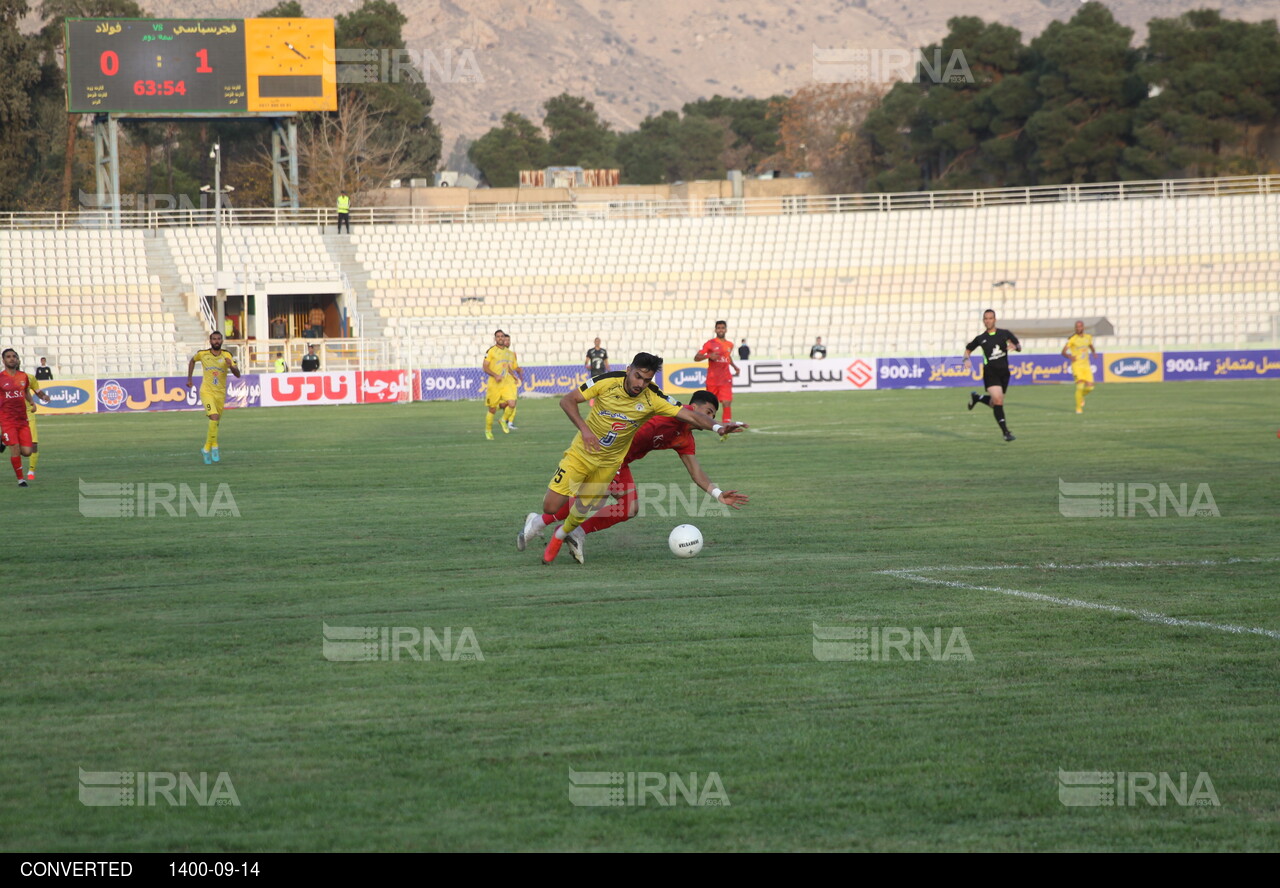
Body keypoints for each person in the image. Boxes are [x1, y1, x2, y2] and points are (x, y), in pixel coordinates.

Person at [527, 353, 746, 565]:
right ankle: (548, 523)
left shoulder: (683, 436)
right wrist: (717, 427)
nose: (708, 418)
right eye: (707, 412)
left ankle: (565, 529)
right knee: (587, 501)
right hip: (598, 453)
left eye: (712, 416)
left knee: (621, 506)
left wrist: (718, 493)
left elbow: (695, 471)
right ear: (693, 406)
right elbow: (689, 415)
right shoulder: (667, 411)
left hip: (617, 461)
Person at [964, 309, 1021, 442]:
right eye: (986, 318)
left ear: (994, 319)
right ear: (983, 321)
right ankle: (1006, 432)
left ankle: (977, 397)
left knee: (995, 403)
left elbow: (1018, 346)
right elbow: (968, 349)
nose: (988, 320)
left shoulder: (1004, 333)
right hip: (990, 373)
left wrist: (1015, 346)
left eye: (990, 318)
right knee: (998, 401)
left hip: (1004, 373)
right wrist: (966, 360)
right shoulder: (981, 338)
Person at [186, 331, 241, 464]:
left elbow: (238, 374)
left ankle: (211, 446)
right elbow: (192, 361)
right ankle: (209, 448)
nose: (216, 341)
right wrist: (189, 378)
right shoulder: (203, 354)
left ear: (222, 341)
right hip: (207, 392)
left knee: (215, 422)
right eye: (214, 339)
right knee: (214, 417)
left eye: (218, 339)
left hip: (220, 393)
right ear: (210, 341)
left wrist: (231, 366)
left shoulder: (227, 355)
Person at [0, 348, 52, 485]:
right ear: (3, 360)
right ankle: (21, 479)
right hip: (7, 419)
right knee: (15, 448)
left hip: (23, 420)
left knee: (27, 452)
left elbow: (26, 392)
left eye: (14, 356)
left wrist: (33, 401)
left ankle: (3, 439)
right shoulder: (1, 378)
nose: (11, 359)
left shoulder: (24, 377)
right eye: (8, 357)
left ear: (17, 360)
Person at [694, 320, 740, 424]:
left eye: (722, 328)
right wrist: (709, 356)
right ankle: (708, 423)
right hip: (712, 379)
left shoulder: (730, 345)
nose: (720, 330)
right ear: (715, 330)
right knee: (709, 404)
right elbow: (696, 358)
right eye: (718, 328)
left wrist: (734, 367)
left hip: (725, 378)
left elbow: (727, 357)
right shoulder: (710, 344)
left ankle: (726, 426)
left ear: (726, 330)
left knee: (727, 402)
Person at [482, 330, 522, 439]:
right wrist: (495, 375)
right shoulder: (491, 351)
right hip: (494, 384)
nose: (500, 338)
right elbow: (485, 367)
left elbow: (507, 366)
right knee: (492, 409)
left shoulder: (508, 353)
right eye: (498, 336)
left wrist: (514, 376)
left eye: (502, 336)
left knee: (512, 403)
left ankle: (503, 420)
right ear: (495, 338)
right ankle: (488, 430)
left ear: (504, 338)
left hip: (505, 384)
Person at [1062, 320, 1096, 414]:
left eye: (1080, 326)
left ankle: (1080, 396)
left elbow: (1090, 346)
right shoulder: (1072, 339)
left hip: (1086, 366)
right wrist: (1070, 356)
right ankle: (1078, 409)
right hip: (1077, 366)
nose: (1078, 328)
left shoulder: (1088, 337)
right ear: (1075, 328)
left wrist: (1094, 352)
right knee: (1080, 386)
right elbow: (1063, 352)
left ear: (1083, 327)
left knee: (1090, 388)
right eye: (1077, 326)